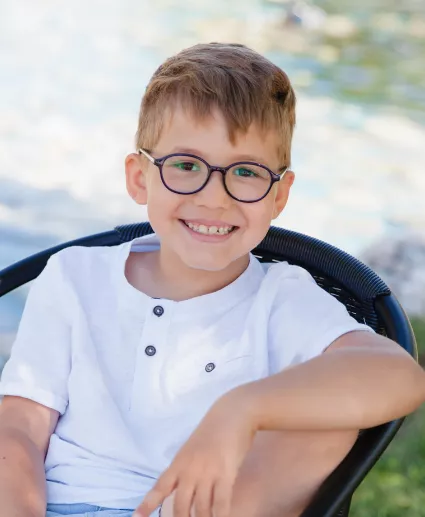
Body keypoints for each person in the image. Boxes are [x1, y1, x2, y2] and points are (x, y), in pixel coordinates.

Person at [0, 42, 424, 517]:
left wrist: (241, 410)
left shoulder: (282, 298)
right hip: (53, 503)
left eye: (245, 172)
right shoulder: (75, 276)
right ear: (140, 177)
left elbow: (400, 377)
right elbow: (18, 427)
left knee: (322, 419)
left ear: (279, 196)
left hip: (193, 508)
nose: (214, 199)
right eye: (185, 166)